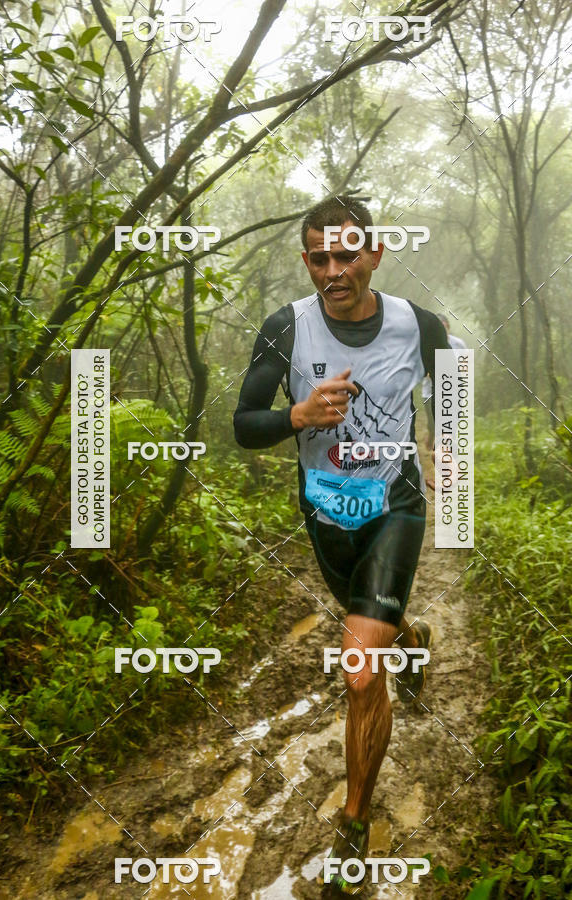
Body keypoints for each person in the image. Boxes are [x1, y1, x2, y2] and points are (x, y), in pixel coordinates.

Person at [233, 196, 449, 895]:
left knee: (360, 670)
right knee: (377, 632)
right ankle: (410, 635)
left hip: (395, 509)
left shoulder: (419, 326)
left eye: (347, 253)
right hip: (326, 518)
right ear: (307, 262)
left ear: (374, 253)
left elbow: (453, 396)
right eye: (320, 257)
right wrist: (297, 414)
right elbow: (242, 425)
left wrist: (444, 449)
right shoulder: (283, 330)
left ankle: (352, 821)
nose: (334, 268)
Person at [421, 314, 467, 448]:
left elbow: (464, 366)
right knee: (432, 423)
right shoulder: (426, 344)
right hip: (430, 392)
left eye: (444, 326)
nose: (442, 330)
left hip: (453, 390)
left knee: (450, 425)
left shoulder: (458, 344)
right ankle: (432, 434)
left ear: (448, 327)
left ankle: (446, 450)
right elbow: (422, 370)